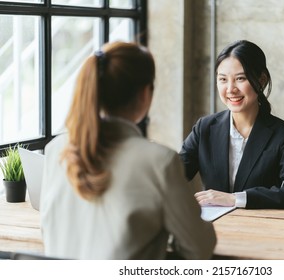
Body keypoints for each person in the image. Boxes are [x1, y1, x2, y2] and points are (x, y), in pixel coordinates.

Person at [40, 41, 216, 260]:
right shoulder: (158, 161)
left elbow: (48, 232)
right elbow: (199, 248)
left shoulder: (56, 149)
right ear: (145, 94)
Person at [180, 40, 284, 209]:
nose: (230, 89)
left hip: (259, 229)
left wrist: (236, 199)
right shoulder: (204, 128)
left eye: (240, 78)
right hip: (213, 229)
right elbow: (174, 175)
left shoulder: (283, 134)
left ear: (261, 80)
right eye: (223, 79)